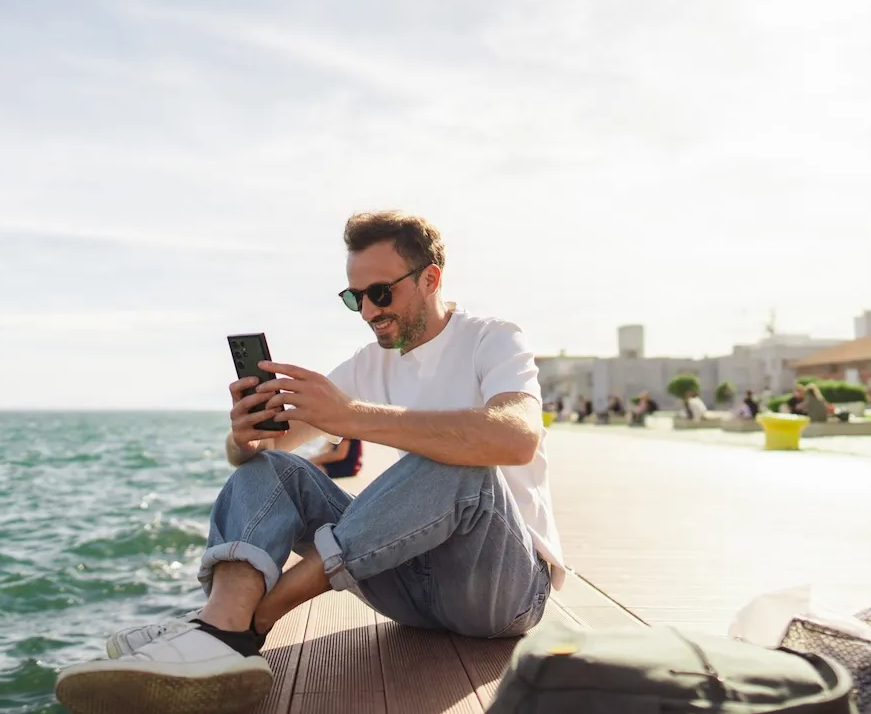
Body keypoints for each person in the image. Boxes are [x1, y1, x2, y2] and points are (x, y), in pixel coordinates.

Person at [54, 212, 565, 714]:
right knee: (271, 472)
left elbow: (516, 437)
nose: (367, 311)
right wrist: (246, 437)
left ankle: (244, 625)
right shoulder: (369, 363)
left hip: (502, 592)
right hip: (411, 592)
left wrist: (354, 415)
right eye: (354, 297)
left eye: (380, 293)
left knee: (458, 463)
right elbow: (269, 452)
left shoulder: (492, 337)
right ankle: (219, 626)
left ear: (430, 278)